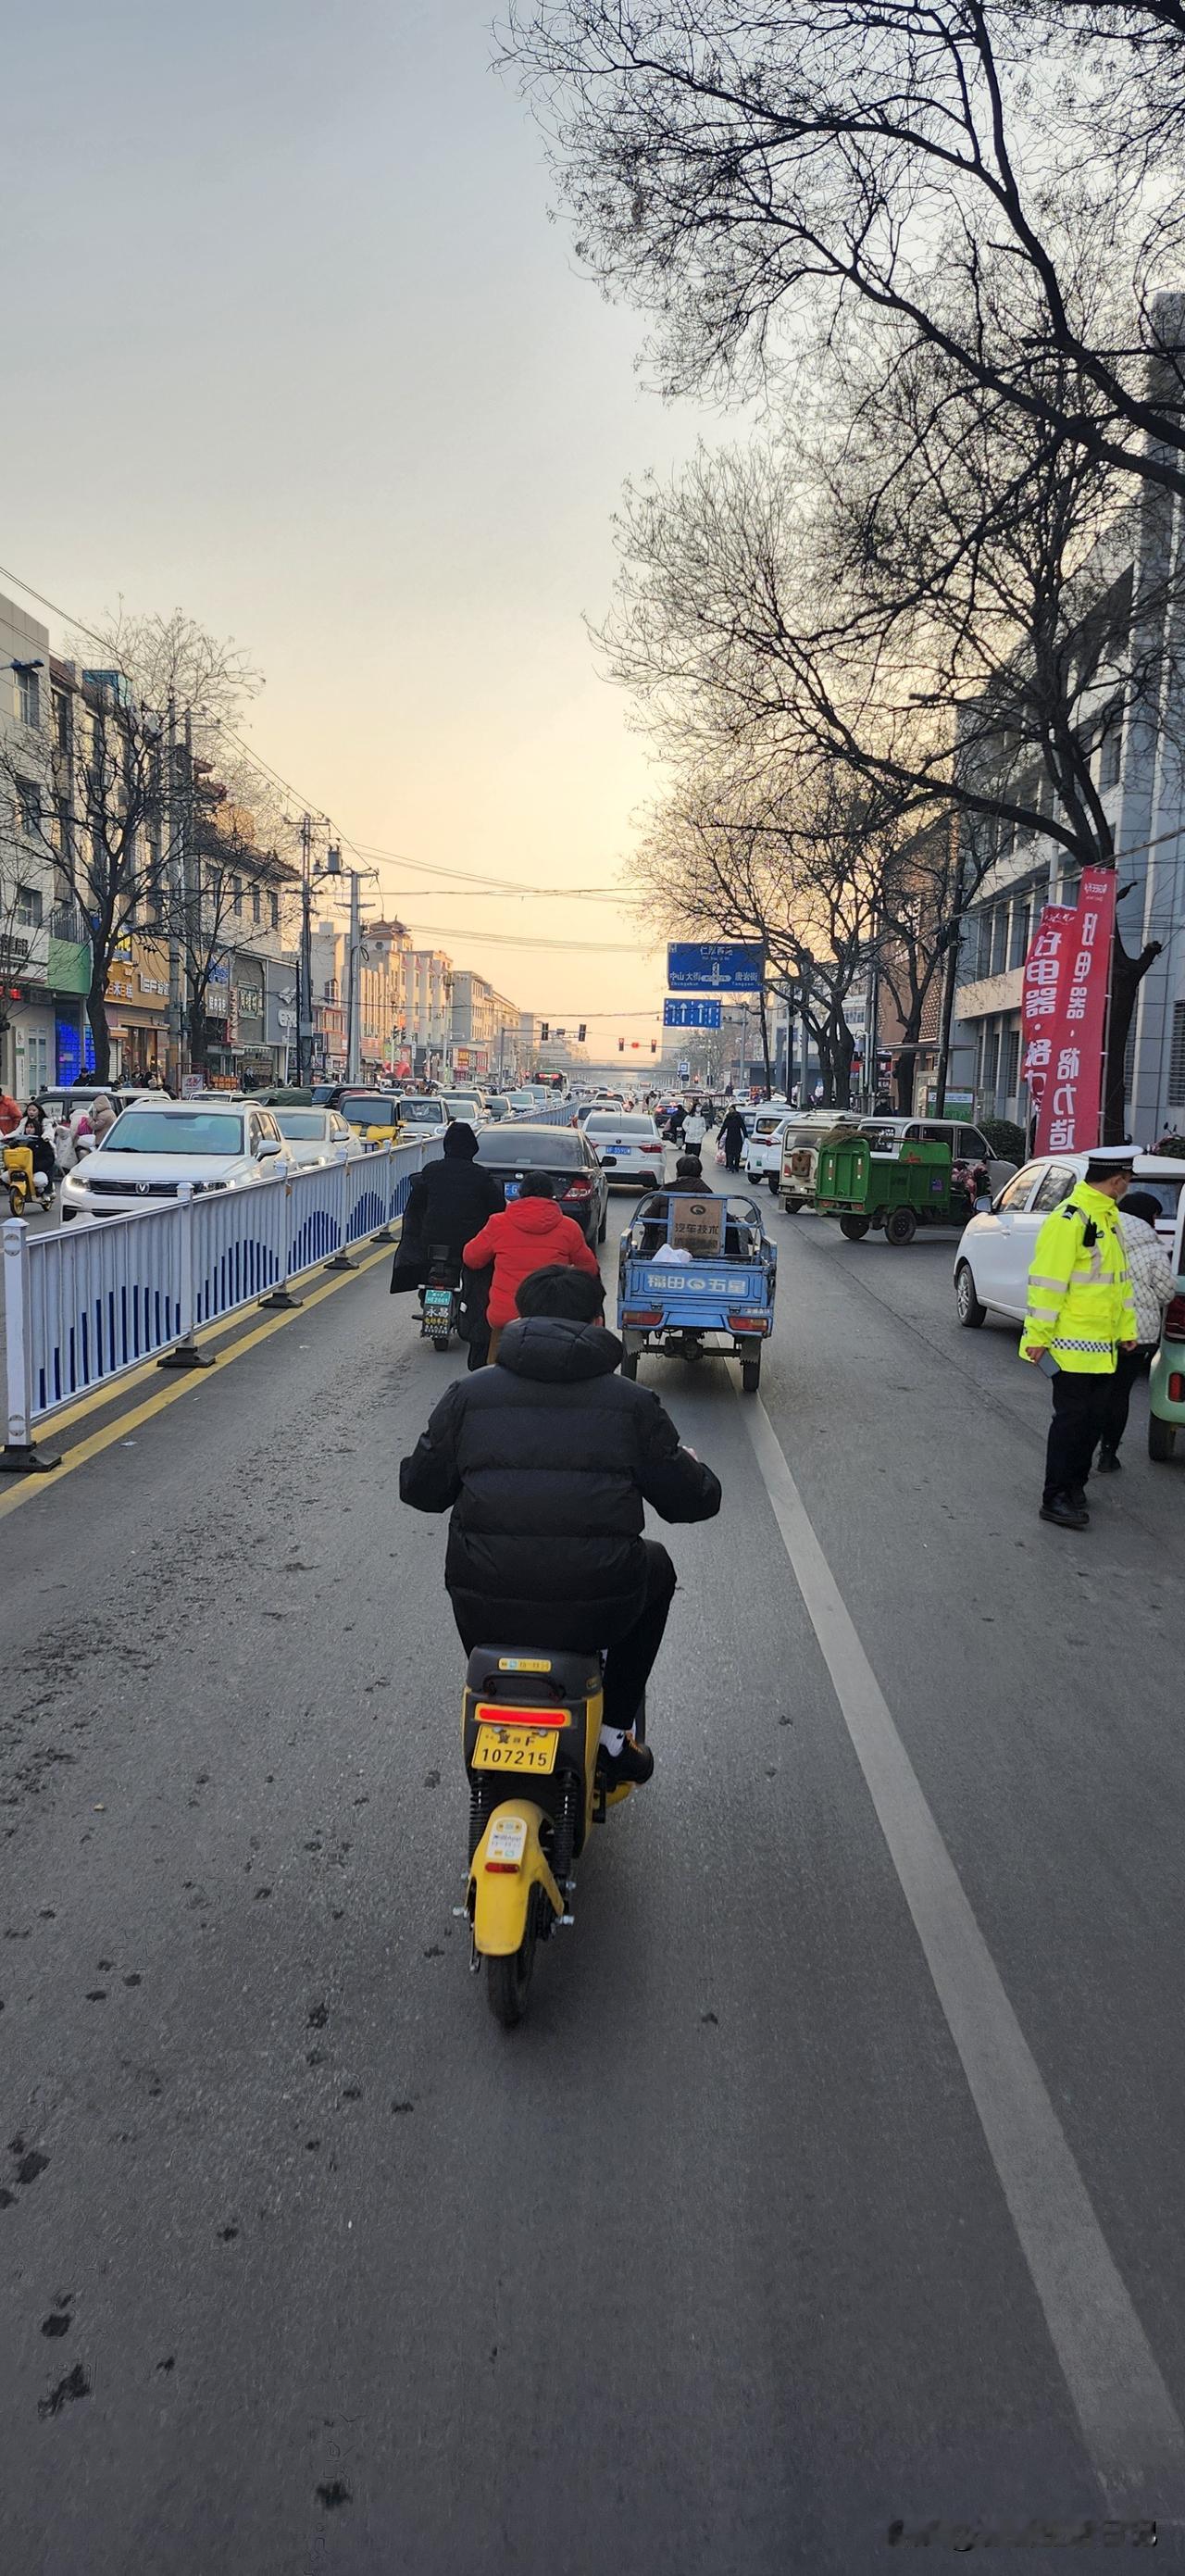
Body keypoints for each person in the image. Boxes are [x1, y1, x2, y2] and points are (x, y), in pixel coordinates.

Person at [399, 1264, 721, 1785]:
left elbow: (420, 1491)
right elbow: (693, 1502)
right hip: (601, 1608)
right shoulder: (633, 1404)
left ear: (519, 1318)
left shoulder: (467, 1394)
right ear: (597, 1320)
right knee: (657, 1565)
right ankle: (613, 1734)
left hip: (484, 1609)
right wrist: (690, 1465)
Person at [1022, 1148, 1139, 1531]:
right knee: (1071, 1423)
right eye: (1128, 1180)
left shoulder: (1109, 1219)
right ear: (1118, 1180)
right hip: (1069, 1349)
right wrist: (1037, 1336)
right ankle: (1053, 1497)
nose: (1128, 1187)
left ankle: (1074, 1486)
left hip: (1103, 1349)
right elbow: (1046, 1284)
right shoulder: (1069, 1219)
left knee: (1093, 1422)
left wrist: (1126, 1331)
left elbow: (1119, 1285)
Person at [463, 1173, 601, 1366]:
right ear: (552, 1196)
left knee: (495, 1373)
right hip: (552, 1319)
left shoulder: (498, 1223)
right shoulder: (568, 1228)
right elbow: (589, 1268)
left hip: (505, 1318)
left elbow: (471, 1258)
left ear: (520, 1194)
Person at [1094, 1189, 1177, 1471]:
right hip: (1137, 1336)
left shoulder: (1099, 1236)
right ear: (1147, 1218)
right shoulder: (1154, 1249)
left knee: (1095, 1391)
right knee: (1119, 1394)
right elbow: (1167, 1294)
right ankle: (1108, 1454)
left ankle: (1083, 1448)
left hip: (1097, 1330)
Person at [717, 1105, 747, 1172]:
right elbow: (723, 1128)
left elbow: (743, 1127)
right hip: (730, 1138)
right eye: (730, 1110)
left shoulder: (738, 1118)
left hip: (737, 1138)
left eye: (732, 1109)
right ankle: (730, 1167)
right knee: (729, 1154)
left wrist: (746, 1137)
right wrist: (719, 1138)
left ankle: (736, 1166)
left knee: (737, 1154)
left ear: (734, 1109)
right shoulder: (728, 1118)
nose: (731, 1111)